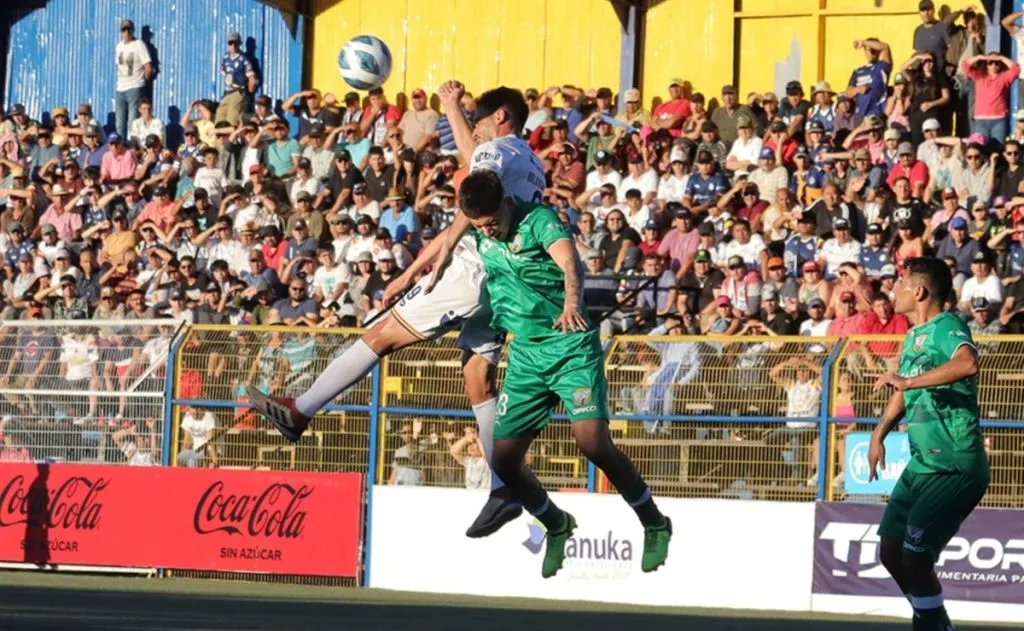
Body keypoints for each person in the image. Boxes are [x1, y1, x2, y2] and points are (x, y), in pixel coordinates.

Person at [246, 83, 544, 540]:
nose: (476, 130)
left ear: (501, 117)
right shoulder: (528, 161)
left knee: (382, 334)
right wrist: (420, 265)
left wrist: (449, 106)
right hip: (505, 278)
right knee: (478, 378)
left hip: (472, 271)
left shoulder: (500, 149)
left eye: (480, 120)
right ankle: (504, 489)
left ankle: (300, 410)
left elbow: (469, 187)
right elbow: (471, 202)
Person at [455, 168, 671, 577]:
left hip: (570, 345)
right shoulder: (481, 228)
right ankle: (556, 523)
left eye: (491, 223)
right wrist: (418, 274)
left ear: (505, 203)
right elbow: (452, 236)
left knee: (593, 444)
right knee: (502, 461)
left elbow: (571, 263)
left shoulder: (539, 220)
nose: (489, 232)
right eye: (480, 227)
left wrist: (573, 301)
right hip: (525, 355)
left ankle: (655, 522)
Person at [869, 256, 987, 631]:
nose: (895, 290)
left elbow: (968, 363)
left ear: (918, 291)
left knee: (915, 556)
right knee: (889, 551)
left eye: (901, 284)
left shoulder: (947, 325)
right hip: (922, 464)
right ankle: (937, 621)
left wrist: (907, 381)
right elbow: (902, 391)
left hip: (953, 463)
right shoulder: (911, 337)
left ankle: (931, 625)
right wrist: (879, 433)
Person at [114, 19, 152, 139]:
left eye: (128, 29)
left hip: (135, 87)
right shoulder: (119, 47)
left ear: (133, 30)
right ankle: (120, 149)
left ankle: (132, 148)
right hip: (120, 88)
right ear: (120, 32)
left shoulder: (138, 45)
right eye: (124, 29)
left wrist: (143, 82)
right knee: (119, 123)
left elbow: (148, 66)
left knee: (132, 122)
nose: (126, 32)